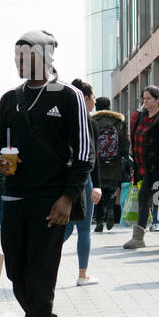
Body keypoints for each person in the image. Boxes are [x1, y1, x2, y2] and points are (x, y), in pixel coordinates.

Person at [0, 31, 93, 317]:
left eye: (27, 55)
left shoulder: (68, 96)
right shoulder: (9, 99)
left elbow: (83, 154)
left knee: (41, 280)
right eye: (17, 55)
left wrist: (67, 198)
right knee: (18, 277)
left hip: (51, 203)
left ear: (47, 56)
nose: (20, 61)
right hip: (14, 201)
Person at [122, 85, 159, 249]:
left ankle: (139, 238)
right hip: (144, 167)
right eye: (143, 98)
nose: (144, 102)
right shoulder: (142, 116)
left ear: (157, 99)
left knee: (151, 199)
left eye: (148, 98)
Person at [60, 81, 103, 286]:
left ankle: (40, 261)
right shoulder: (89, 122)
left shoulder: (62, 119)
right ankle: (83, 274)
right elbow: (93, 157)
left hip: (65, 179)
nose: (94, 101)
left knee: (65, 226)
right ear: (84, 98)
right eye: (93, 97)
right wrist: (97, 185)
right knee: (84, 229)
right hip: (85, 179)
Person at [91, 95, 129, 232]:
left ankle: (99, 221)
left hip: (97, 163)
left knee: (97, 191)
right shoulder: (119, 122)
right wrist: (120, 156)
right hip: (115, 162)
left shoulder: (92, 121)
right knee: (111, 191)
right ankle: (110, 209)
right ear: (109, 107)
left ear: (97, 107)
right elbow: (125, 143)